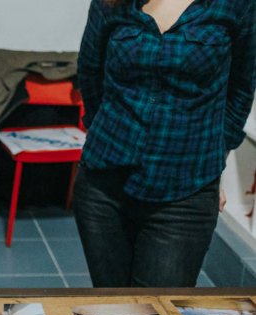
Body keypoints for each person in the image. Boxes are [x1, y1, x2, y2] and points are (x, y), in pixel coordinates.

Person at [74, 0, 256, 287]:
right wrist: (102, 132)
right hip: (103, 187)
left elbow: (242, 88)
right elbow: (90, 70)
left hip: (184, 195)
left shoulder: (235, 5)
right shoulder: (110, 3)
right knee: (112, 313)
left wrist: (213, 158)